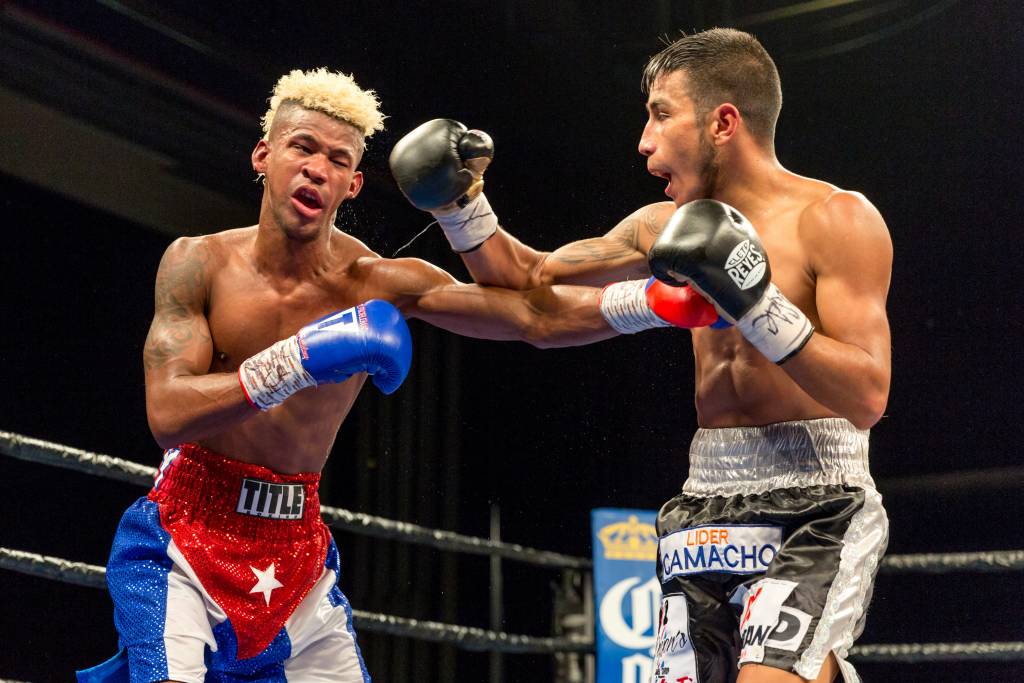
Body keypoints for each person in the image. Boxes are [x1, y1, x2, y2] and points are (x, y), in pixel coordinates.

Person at [76, 68, 721, 683]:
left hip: (295, 548)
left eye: (338, 160)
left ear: (353, 185)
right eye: (302, 147)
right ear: (263, 156)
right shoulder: (198, 262)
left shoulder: (374, 283)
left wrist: (653, 304)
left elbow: (531, 313)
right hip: (183, 538)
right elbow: (167, 414)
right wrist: (298, 359)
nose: (317, 168)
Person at [391, 28, 892, 683]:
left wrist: (756, 303)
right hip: (706, 494)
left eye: (661, 114)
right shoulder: (661, 226)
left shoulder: (835, 219)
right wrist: (461, 208)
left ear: (723, 123)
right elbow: (532, 279)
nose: (644, 141)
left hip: (817, 498)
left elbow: (868, 395)